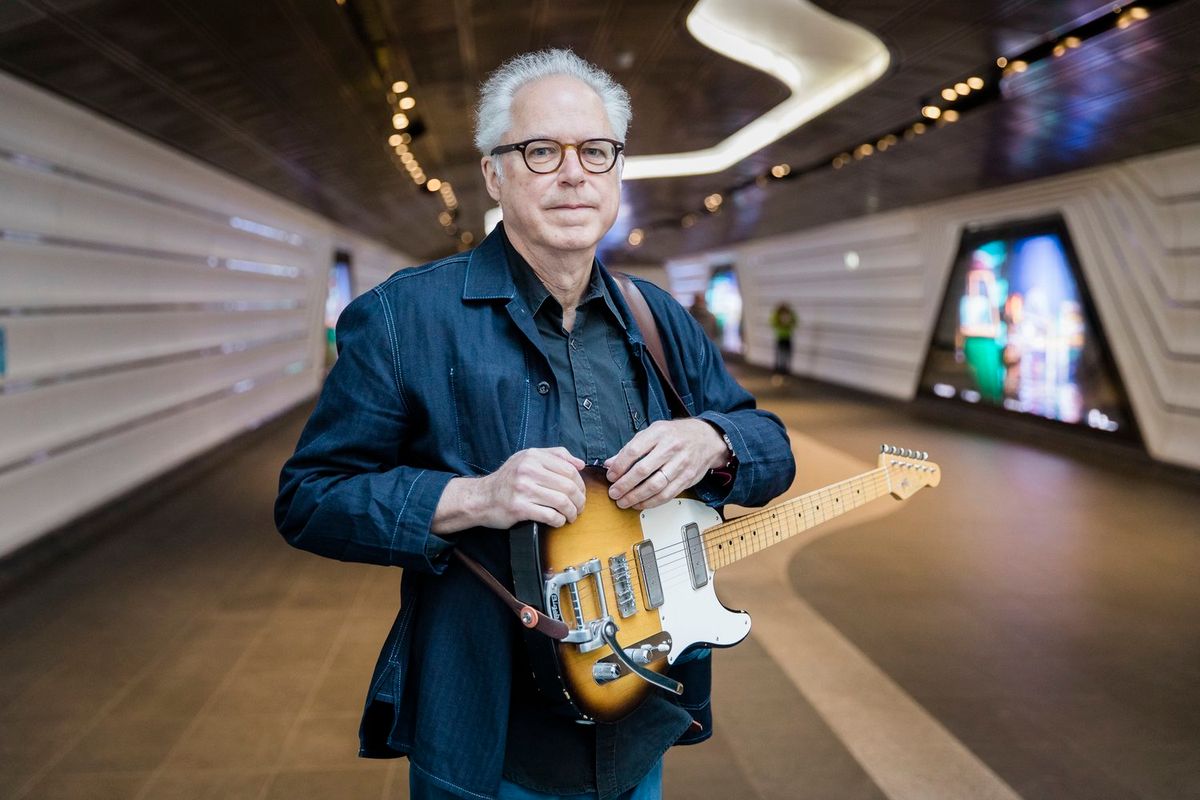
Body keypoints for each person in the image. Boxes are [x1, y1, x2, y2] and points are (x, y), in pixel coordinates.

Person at [275, 49, 795, 800]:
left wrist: (714, 441)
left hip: (634, 719)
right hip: (487, 738)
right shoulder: (403, 317)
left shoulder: (656, 320)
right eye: (542, 151)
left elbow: (771, 447)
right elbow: (311, 497)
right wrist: (474, 498)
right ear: (494, 174)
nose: (573, 173)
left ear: (617, 171)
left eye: (595, 151)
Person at [769, 302, 797, 382]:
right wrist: (779, 321)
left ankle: (785, 373)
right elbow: (772, 322)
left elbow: (795, 322)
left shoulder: (790, 314)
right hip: (780, 337)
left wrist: (789, 320)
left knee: (787, 356)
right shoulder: (777, 315)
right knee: (779, 356)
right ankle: (778, 373)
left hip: (787, 337)